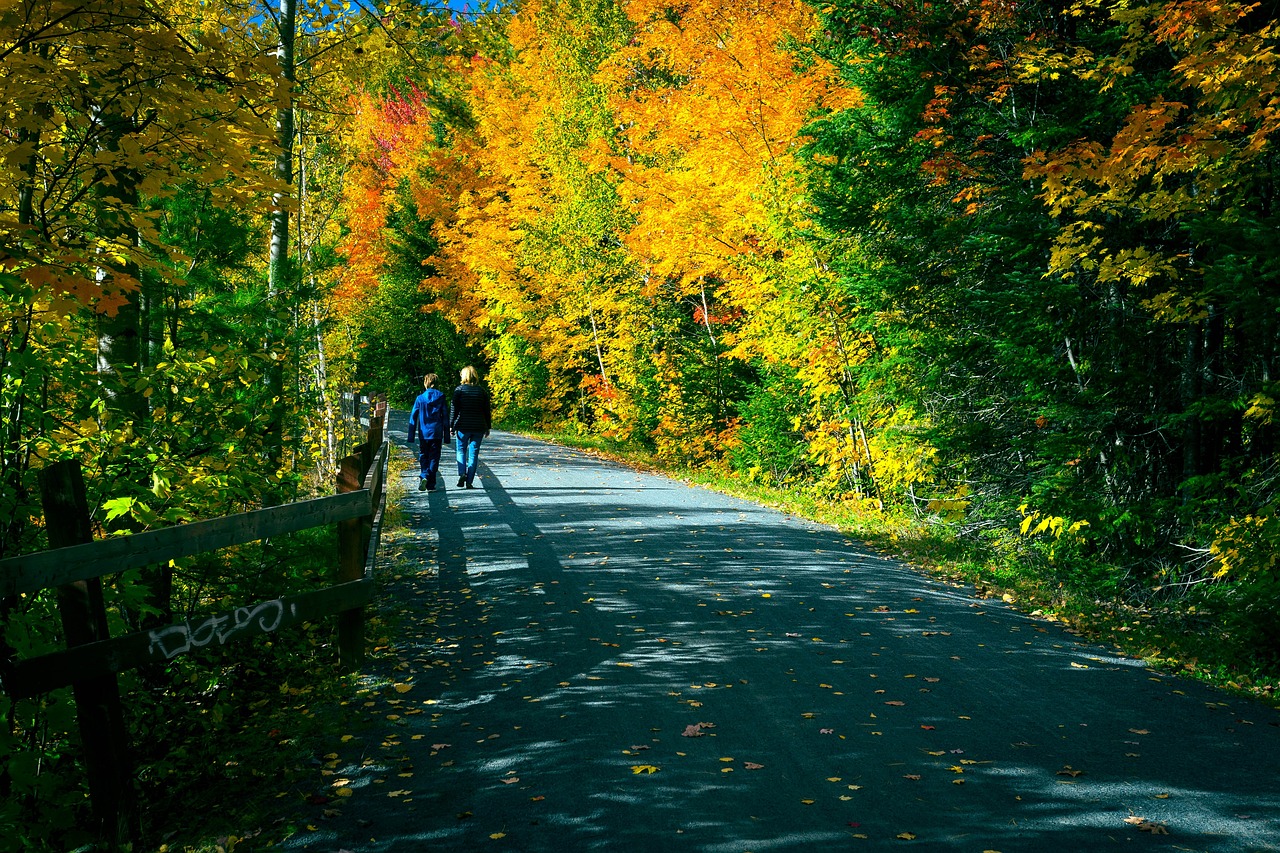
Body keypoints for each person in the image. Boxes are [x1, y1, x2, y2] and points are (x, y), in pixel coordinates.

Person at [450, 365, 491, 489]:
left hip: (463, 426)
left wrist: (451, 425)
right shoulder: (482, 391)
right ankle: (469, 481)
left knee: (460, 450)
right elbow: (486, 411)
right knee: (473, 454)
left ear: (464, 376)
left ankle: (462, 473)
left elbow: (454, 409)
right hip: (479, 426)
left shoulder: (459, 390)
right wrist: (488, 426)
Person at [408, 373, 449, 491]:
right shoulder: (441, 397)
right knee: (434, 457)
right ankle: (431, 485)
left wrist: (411, 436)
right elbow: (445, 416)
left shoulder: (420, 398)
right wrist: (446, 436)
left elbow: (413, 417)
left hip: (424, 433)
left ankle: (424, 475)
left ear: (426, 383)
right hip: (436, 432)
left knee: (423, 455)